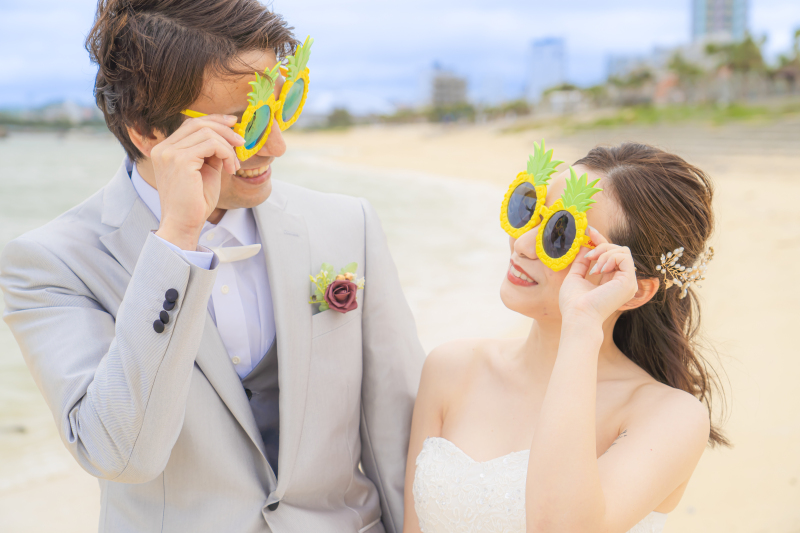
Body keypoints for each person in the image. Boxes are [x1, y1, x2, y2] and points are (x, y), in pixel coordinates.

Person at [0, 1, 424, 532]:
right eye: (246, 124)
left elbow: (399, 437)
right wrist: (176, 243)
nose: (277, 145)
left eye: (282, 107)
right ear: (146, 131)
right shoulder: (50, 263)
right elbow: (120, 455)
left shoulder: (346, 224)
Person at [404, 142, 728, 533]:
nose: (522, 245)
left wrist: (582, 325)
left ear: (636, 289)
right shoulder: (450, 369)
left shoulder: (669, 416)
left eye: (561, 234)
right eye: (530, 211)